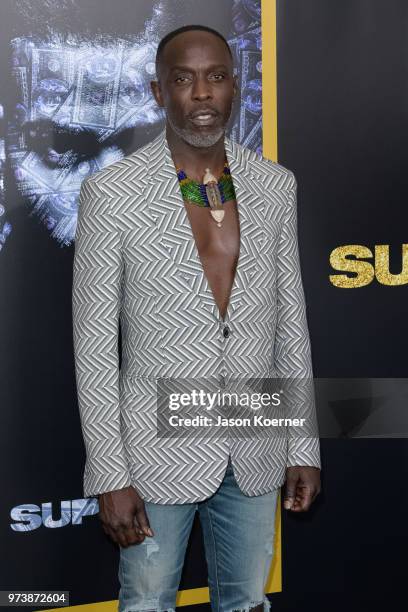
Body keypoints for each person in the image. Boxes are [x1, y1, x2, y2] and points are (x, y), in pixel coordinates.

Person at [72, 23, 321, 612]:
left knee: (245, 602)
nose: (202, 94)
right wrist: (110, 472)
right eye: (183, 80)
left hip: (253, 439)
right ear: (159, 92)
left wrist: (302, 443)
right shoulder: (112, 193)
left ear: (236, 88)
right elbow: (93, 345)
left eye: (216, 77)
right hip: (153, 453)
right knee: (148, 604)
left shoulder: (275, 187)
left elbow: (291, 323)